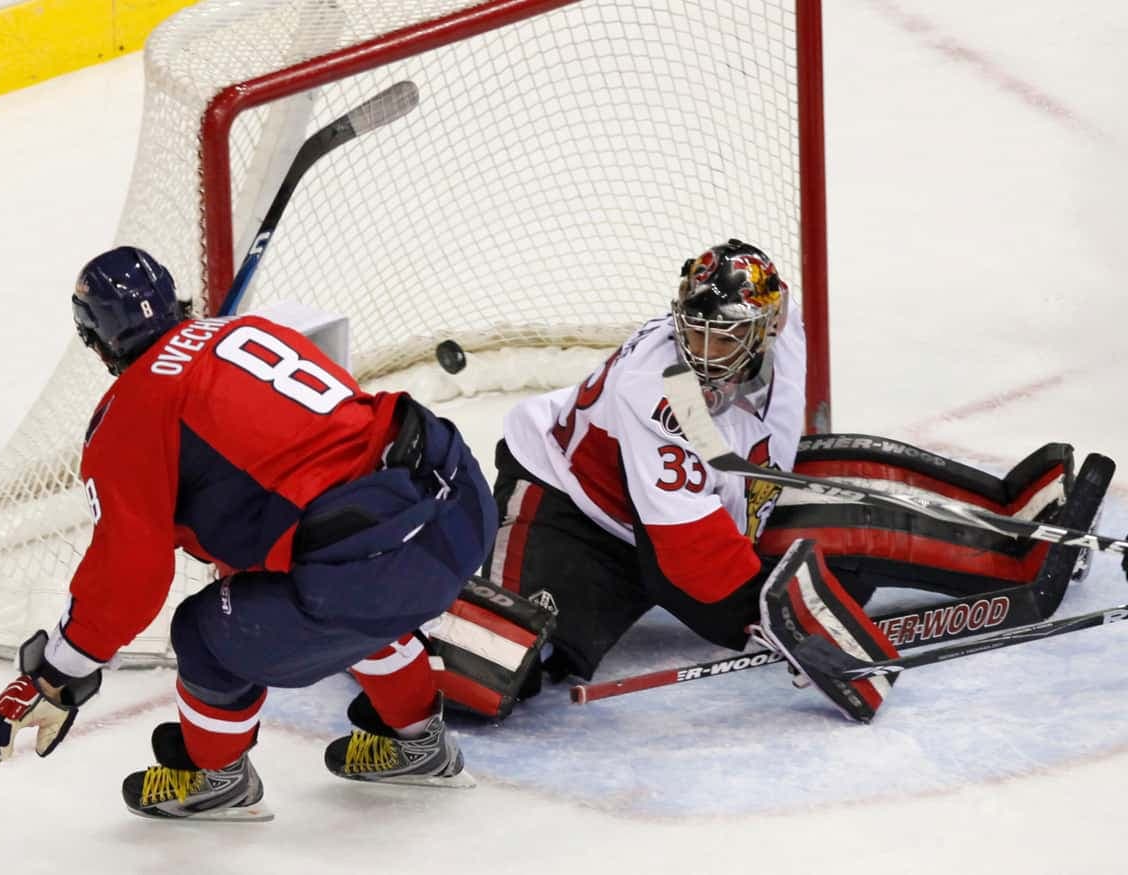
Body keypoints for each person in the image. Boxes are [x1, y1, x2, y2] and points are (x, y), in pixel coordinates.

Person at [470, 239, 1109, 723]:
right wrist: (779, 618)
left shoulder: (787, 334)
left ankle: (1020, 525)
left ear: (767, 330)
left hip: (710, 495)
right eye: (694, 330)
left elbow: (735, 480)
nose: (702, 350)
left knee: (854, 512)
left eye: (725, 337)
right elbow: (688, 559)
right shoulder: (665, 391)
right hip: (575, 507)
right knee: (500, 663)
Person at [0, 246, 498, 820]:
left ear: (94, 340)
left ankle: (216, 778)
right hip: (458, 506)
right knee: (332, 584)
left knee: (206, 634)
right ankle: (420, 742)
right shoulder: (248, 330)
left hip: (368, 565)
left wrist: (58, 672)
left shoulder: (129, 415)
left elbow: (130, 574)